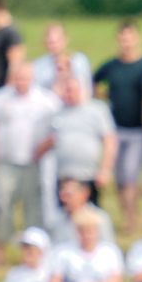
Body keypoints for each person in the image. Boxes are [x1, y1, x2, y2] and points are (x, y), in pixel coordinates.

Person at [0, 60, 59, 259]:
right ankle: (0, 248)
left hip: (33, 163)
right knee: (3, 204)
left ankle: (33, 251)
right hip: (5, 161)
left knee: (33, 207)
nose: (21, 82)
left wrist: (42, 149)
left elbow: (58, 129)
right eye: (18, 78)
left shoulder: (46, 100)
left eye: (25, 78)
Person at [93, 21, 142, 236]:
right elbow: (94, 81)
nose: (126, 42)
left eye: (130, 37)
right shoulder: (111, 66)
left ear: (137, 39)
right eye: (123, 37)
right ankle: (127, 213)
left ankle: (130, 218)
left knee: (129, 175)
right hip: (115, 129)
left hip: (138, 130)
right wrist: (101, 98)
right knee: (120, 178)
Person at [48, 76, 117, 204]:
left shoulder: (96, 109)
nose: (70, 94)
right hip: (64, 175)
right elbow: (49, 140)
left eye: (73, 90)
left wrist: (105, 169)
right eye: (67, 90)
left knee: (89, 215)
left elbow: (109, 140)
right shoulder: (57, 112)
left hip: (88, 175)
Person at [30, 23, 92, 97]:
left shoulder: (79, 60)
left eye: (57, 41)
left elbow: (85, 86)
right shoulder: (38, 65)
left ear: (66, 40)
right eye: (50, 42)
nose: (54, 45)